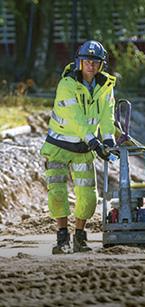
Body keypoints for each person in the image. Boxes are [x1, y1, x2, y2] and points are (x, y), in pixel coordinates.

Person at [40, 40, 117, 254]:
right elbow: (75, 119)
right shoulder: (67, 85)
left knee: (89, 196)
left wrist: (108, 139)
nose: (90, 66)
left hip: (83, 150)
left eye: (95, 62)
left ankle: (80, 238)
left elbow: (107, 115)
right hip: (59, 147)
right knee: (57, 193)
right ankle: (62, 238)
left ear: (101, 65)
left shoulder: (106, 87)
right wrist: (94, 141)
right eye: (86, 61)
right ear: (79, 62)